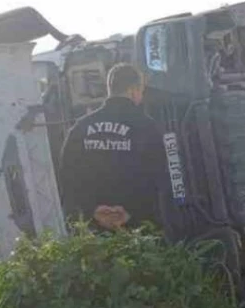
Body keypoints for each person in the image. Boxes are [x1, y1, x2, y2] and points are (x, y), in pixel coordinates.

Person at [59, 63, 168, 232]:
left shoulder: (80, 128)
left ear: (110, 88)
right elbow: (162, 177)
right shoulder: (148, 127)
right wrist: (131, 213)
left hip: (94, 230)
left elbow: (67, 176)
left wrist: (93, 210)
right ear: (134, 90)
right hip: (139, 229)